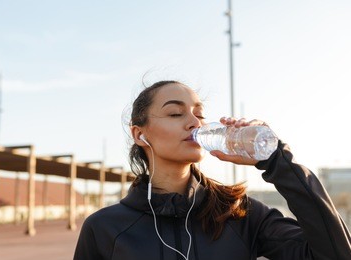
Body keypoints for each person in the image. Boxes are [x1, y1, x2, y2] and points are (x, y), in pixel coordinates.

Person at [74, 80, 351, 260]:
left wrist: (276, 160)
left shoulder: (240, 213)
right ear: (139, 134)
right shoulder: (104, 228)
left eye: (199, 114)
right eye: (175, 113)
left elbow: (335, 254)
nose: (195, 123)